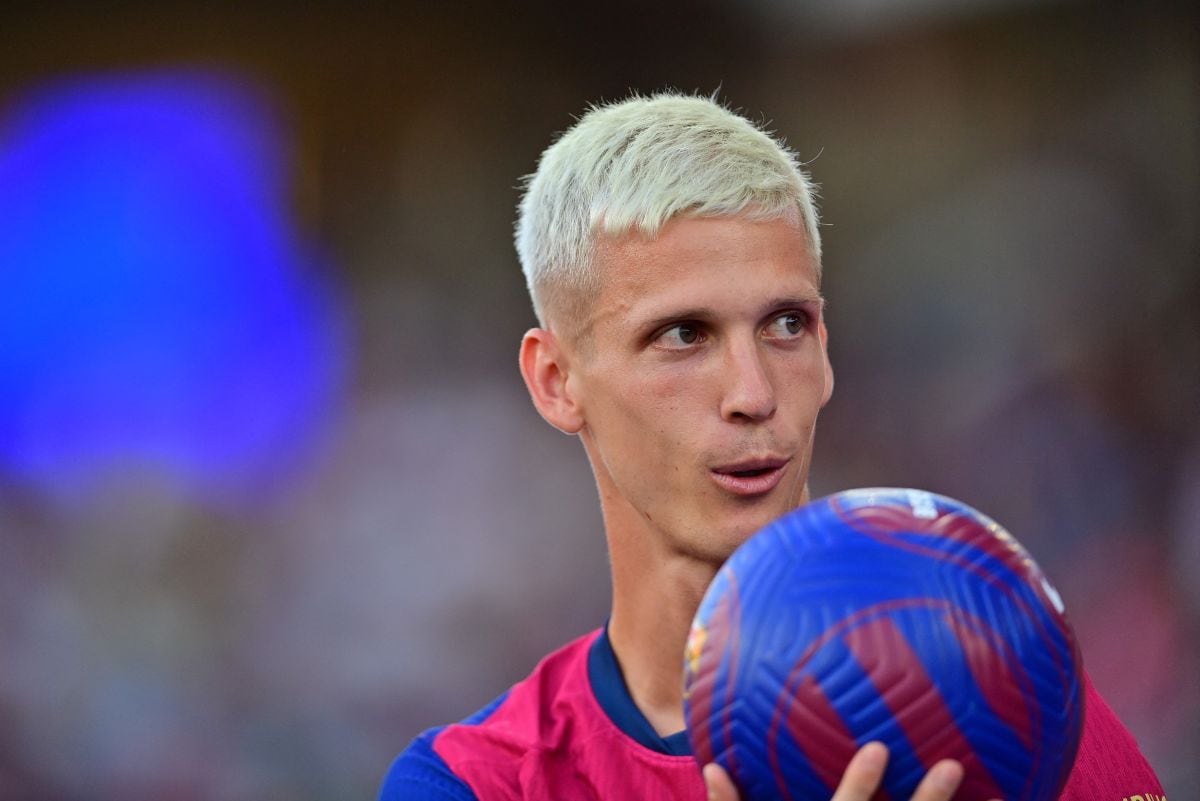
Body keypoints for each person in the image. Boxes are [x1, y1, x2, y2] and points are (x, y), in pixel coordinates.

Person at [379, 93, 1165, 801]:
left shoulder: (1010, 698)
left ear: (825, 350)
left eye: (785, 324)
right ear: (556, 380)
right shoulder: (476, 782)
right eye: (683, 335)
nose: (753, 393)